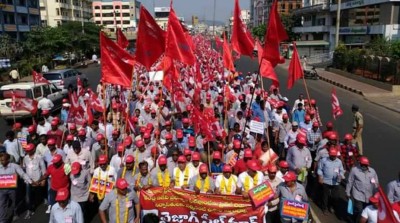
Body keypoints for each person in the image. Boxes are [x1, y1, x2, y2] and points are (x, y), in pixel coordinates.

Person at [0, 153, 34, 222]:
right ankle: (2, 220)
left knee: (14, 203)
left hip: (13, 189)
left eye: (3, 160)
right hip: (2, 190)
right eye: (1, 160)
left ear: (8, 160)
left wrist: (30, 181)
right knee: (2, 205)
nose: (2, 162)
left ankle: (15, 213)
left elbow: (22, 174)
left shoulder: (15, 166)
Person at [346, 156, 379, 223]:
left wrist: (377, 194)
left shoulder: (372, 171)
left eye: (365, 165)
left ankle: (357, 218)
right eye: (362, 165)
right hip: (358, 194)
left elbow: (376, 183)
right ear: (359, 163)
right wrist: (347, 192)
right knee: (360, 211)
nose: (364, 166)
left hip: (369, 196)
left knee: (366, 210)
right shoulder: (354, 170)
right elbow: (350, 181)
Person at [317, 148, 345, 215]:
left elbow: (341, 170)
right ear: (329, 154)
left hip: (335, 182)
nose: (333, 157)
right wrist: (320, 176)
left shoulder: (339, 162)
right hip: (326, 181)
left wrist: (341, 175)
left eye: (334, 156)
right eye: (332, 155)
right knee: (325, 196)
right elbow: (319, 169)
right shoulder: (323, 160)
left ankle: (331, 206)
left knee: (335, 196)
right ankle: (325, 208)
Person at [23, 143, 46, 219]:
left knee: (37, 194)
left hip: (38, 180)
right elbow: (24, 167)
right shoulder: (25, 158)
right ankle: (29, 210)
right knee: (28, 196)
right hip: (29, 180)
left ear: (33, 149)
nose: (28, 152)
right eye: (27, 151)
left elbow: (43, 168)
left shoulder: (39, 157)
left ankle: (43, 198)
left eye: (30, 150)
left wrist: (43, 180)